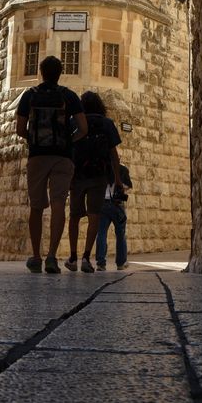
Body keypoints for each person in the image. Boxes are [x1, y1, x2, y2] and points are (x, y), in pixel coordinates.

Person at [16, 55, 87, 274]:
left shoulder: (29, 96)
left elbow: (19, 129)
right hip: (62, 157)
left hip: (37, 156)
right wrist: (68, 141)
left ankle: (36, 256)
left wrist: (35, 140)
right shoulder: (69, 96)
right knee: (58, 204)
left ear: (41, 72)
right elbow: (83, 128)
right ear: (60, 73)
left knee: (36, 207)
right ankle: (52, 257)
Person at [65, 91, 123, 274]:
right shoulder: (107, 124)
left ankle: (73, 257)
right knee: (94, 216)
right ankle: (86, 257)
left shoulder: (74, 122)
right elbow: (114, 155)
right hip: (99, 176)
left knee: (74, 216)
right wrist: (118, 180)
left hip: (77, 175)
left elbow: (68, 149)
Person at [95, 163, 132, 272]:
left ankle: (100, 263)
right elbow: (128, 186)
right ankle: (121, 262)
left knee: (101, 233)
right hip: (117, 204)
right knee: (120, 234)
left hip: (103, 203)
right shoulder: (123, 169)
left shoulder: (101, 168)